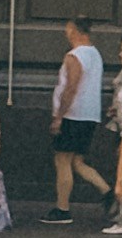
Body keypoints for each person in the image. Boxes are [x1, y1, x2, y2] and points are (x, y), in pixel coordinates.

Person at [46, 19, 111, 223]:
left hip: (72, 115)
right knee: (78, 161)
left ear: (74, 31)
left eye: (68, 30)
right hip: (90, 115)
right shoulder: (95, 54)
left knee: (62, 160)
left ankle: (62, 208)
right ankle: (108, 192)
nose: (66, 34)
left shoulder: (75, 56)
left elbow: (71, 86)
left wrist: (59, 116)